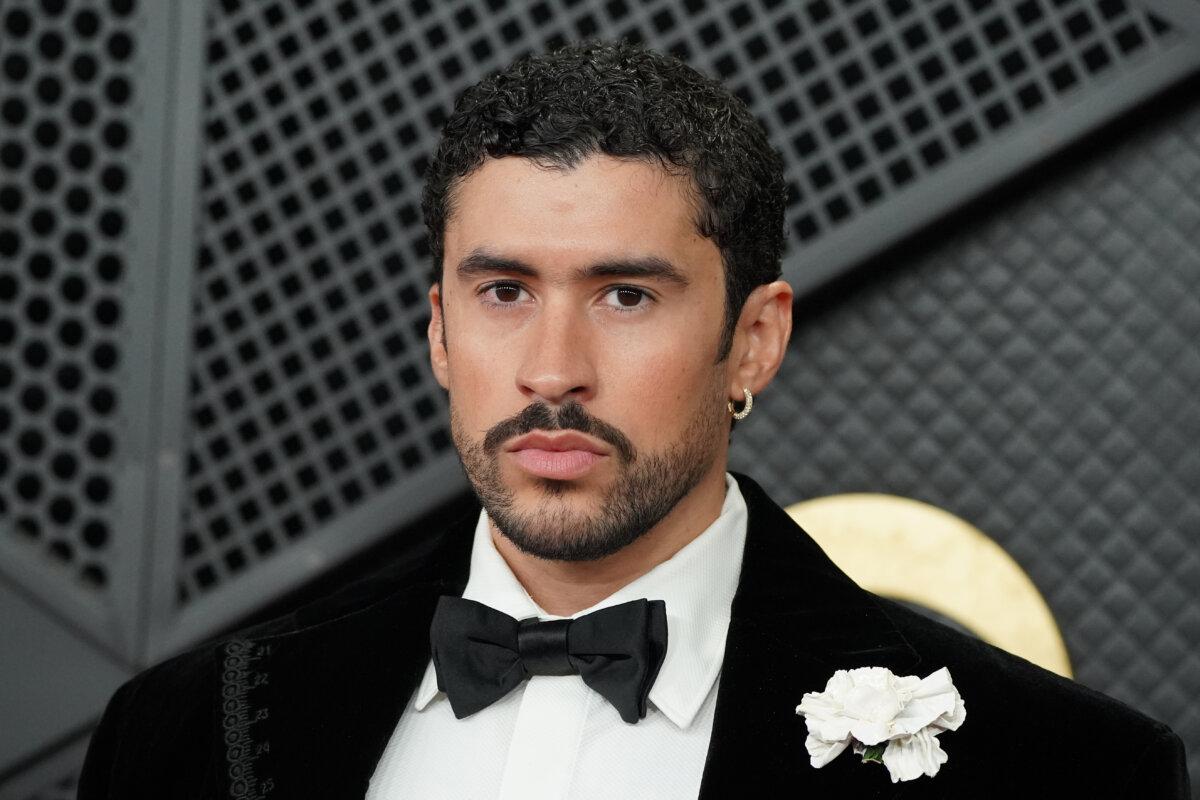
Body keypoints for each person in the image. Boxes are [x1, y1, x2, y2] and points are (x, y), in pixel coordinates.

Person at [80, 41, 1189, 799]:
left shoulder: (1062, 771)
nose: (552, 371)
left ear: (753, 339)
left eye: (624, 296)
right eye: (503, 291)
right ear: (438, 331)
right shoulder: (180, 735)